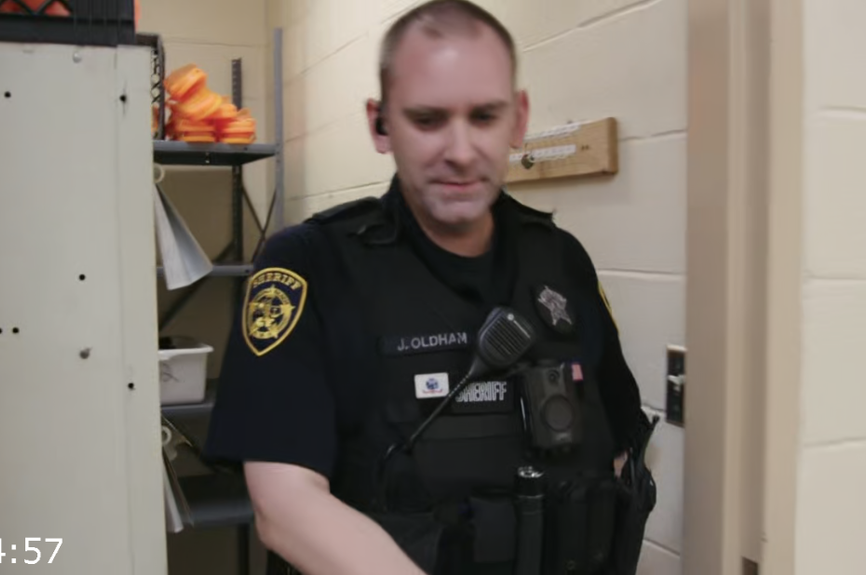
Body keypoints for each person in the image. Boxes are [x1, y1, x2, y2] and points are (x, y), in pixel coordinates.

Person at [203, 2, 655, 574]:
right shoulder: (311, 265)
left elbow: (617, 448)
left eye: (484, 117)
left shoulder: (562, 261)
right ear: (380, 124)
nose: (460, 152)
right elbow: (285, 506)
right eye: (427, 119)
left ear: (518, 120)